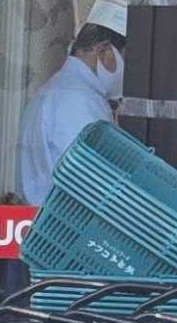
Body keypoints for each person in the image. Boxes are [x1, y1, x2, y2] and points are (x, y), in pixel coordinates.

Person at [17, 23, 127, 204]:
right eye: (124, 58)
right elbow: (94, 181)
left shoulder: (60, 89)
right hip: (63, 214)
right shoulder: (79, 100)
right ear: (103, 51)